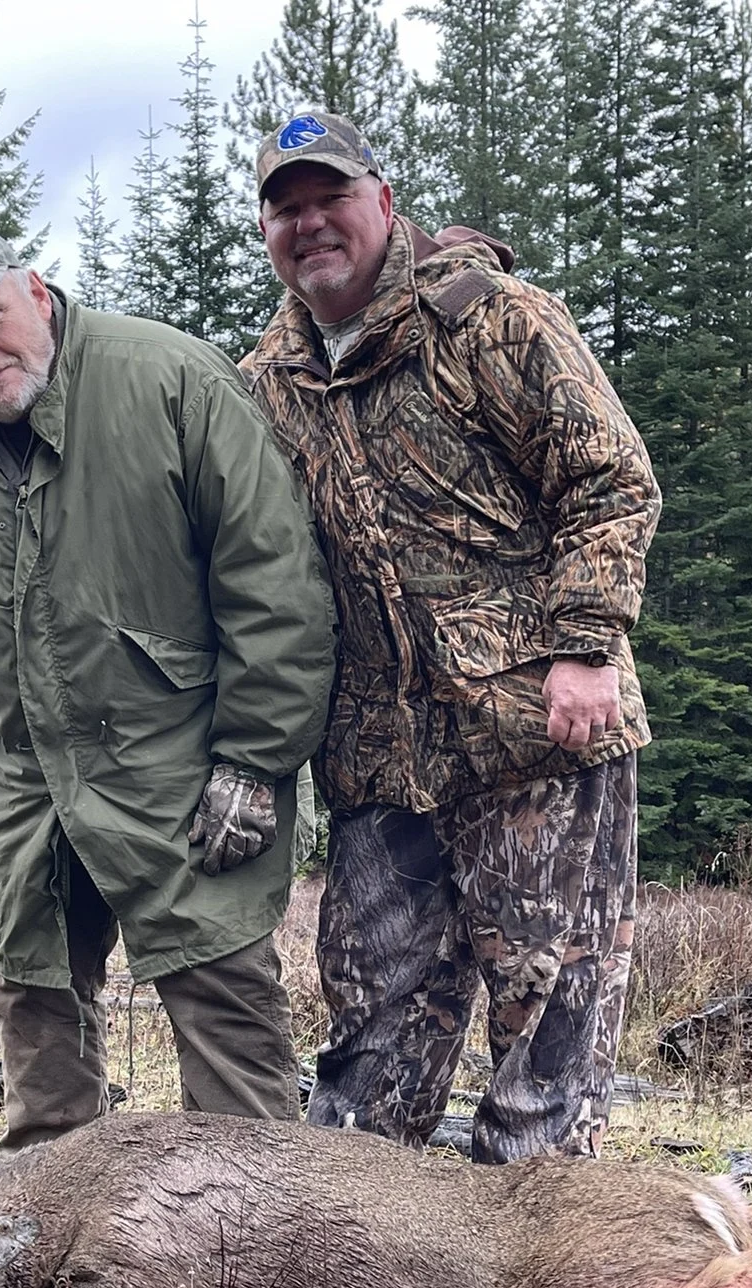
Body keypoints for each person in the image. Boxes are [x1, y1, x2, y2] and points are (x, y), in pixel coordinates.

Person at [242, 112, 662, 1164]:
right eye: (286, 207)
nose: (311, 224)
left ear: (383, 202)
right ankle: (358, 1278)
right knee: (367, 1042)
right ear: (266, 231)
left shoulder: (493, 321)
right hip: (381, 759)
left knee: (544, 1037)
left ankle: (539, 1286)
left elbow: (610, 480)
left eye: (329, 197)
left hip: (537, 729)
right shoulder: (269, 380)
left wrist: (586, 645)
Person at [0, 218, 336, 1151]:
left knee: (234, 1056)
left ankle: (248, 1268)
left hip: (181, 770)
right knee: (40, 1050)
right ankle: (50, 1272)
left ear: (34, 292)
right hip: (19, 785)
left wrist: (253, 760)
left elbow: (274, 581)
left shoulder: (173, 382)